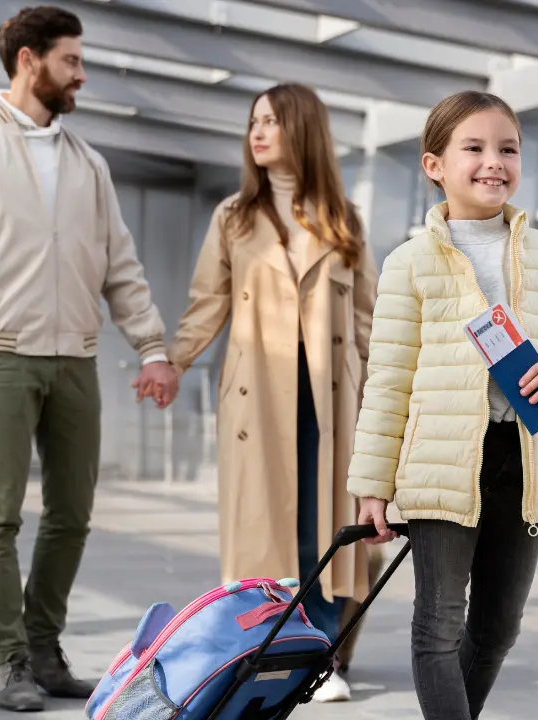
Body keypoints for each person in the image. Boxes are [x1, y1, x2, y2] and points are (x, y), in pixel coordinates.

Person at [0, 6, 178, 713]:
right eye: (71, 61)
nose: (81, 74)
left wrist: (152, 346)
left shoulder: (89, 163)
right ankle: (13, 659)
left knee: (73, 514)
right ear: (29, 60)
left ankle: (46, 647)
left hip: (76, 358)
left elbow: (121, 266)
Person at [348, 90, 538, 720]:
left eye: (508, 149)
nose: (494, 162)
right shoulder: (408, 265)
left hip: (525, 458)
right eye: (474, 148)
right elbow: (387, 381)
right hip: (441, 461)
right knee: (437, 626)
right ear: (434, 165)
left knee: (498, 628)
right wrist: (371, 486)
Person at [143, 83, 377, 702]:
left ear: (301, 129)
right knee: (263, 529)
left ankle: (321, 652)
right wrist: (173, 362)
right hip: (256, 397)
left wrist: (391, 406)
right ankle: (269, 648)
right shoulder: (234, 217)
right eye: (254, 121)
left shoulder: (343, 219)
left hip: (330, 399)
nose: (258, 131)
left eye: (271, 120)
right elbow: (207, 305)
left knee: (325, 527)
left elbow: (369, 323)